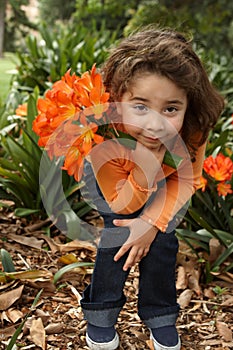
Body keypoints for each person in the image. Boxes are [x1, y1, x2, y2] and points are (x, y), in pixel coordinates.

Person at [80, 27, 225, 350]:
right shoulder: (106, 135)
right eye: (140, 106)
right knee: (118, 235)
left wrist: (151, 223)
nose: (155, 124)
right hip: (115, 180)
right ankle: (101, 312)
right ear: (118, 100)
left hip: (169, 180)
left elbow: (186, 179)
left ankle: (160, 314)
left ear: (189, 106)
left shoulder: (194, 130)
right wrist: (146, 162)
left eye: (171, 109)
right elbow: (122, 204)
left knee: (163, 242)